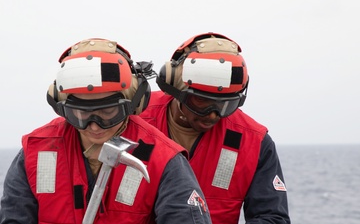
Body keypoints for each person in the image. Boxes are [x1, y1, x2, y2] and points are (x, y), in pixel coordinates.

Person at [0, 38, 212, 224]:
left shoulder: (164, 160)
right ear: (62, 106)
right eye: (81, 113)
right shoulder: (35, 152)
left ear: (132, 104)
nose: (94, 125)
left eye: (108, 111)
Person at [139, 32, 291, 224]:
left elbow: (272, 218)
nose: (213, 114)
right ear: (175, 87)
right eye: (201, 101)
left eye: (225, 104)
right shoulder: (134, 120)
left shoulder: (254, 142)